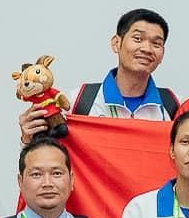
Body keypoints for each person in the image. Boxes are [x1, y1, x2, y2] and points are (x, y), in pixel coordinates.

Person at [20, 8, 180, 136]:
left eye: (156, 44)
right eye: (138, 39)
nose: (147, 49)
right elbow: (48, 157)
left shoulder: (174, 105)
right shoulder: (78, 101)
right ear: (116, 43)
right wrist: (28, 138)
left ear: (162, 54)